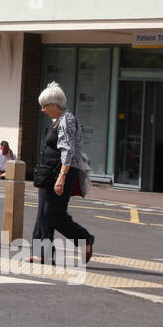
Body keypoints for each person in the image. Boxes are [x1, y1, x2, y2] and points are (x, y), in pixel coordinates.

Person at [33, 82, 94, 264]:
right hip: (48, 172)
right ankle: (42, 252)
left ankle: (85, 239)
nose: (43, 110)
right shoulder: (56, 121)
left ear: (54, 105)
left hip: (61, 172)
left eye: (45, 106)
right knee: (43, 212)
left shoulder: (67, 120)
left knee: (54, 214)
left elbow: (68, 150)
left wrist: (62, 176)